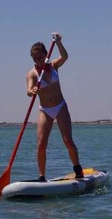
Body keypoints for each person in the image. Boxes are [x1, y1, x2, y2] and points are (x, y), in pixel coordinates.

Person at [27, 33, 83, 181]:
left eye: (40, 57)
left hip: (60, 107)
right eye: (34, 59)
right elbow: (29, 90)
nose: (37, 61)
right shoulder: (32, 74)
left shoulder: (53, 66)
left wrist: (58, 43)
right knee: (41, 144)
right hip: (45, 110)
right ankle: (41, 176)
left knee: (67, 140)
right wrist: (32, 91)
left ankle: (78, 170)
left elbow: (65, 57)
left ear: (46, 55)